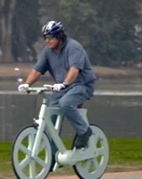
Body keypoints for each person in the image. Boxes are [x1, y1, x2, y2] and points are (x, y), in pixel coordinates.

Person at [17, 20, 96, 149]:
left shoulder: (73, 47)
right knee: (51, 113)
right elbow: (37, 70)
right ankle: (54, 153)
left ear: (59, 36)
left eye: (50, 37)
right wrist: (27, 84)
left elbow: (74, 70)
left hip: (82, 85)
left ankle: (84, 132)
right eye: (45, 37)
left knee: (65, 104)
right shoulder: (47, 51)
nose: (47, 41)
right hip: (63, 88)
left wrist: (64, 83)